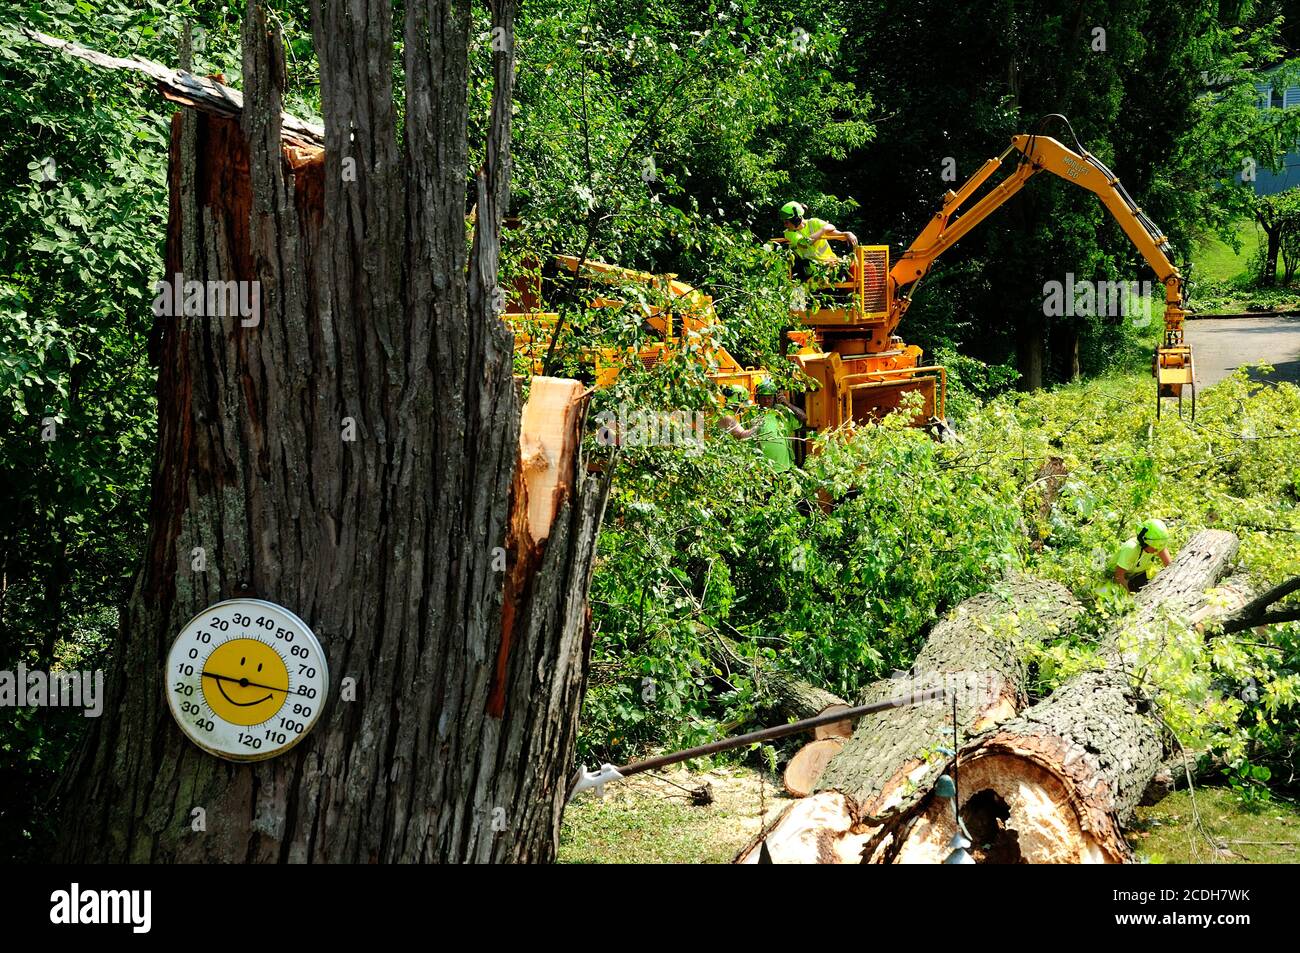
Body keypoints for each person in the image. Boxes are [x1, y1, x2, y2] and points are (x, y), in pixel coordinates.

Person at [735, 378, 806, 472]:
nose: (766, 401)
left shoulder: (782, 412)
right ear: (757, 398)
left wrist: (787, 403)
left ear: (775, 398)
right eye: (763, 397)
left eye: (769, 397)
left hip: (783, 467)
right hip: (760, 468)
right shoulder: (751, 414)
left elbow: (803, 418)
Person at [781, 201, 857, 281]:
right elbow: (806, 243)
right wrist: (823, 229)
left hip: (833, 265)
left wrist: (847, 234)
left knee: (854, 269)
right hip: (813, 271)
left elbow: (835, 232)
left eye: (786, 222)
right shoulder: (788, 233)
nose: (785, 225)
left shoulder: (814, 223)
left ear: (796, 219)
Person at [1106, 518, 1173, 593]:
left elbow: (1170, 566)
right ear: (1143, 541)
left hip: (1136, 574)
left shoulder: (1158, 544)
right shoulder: (1130, 548)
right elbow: (1118, 576)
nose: (1157, 551)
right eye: (1154, 547)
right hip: (1116, 578)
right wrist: (1129, 594)